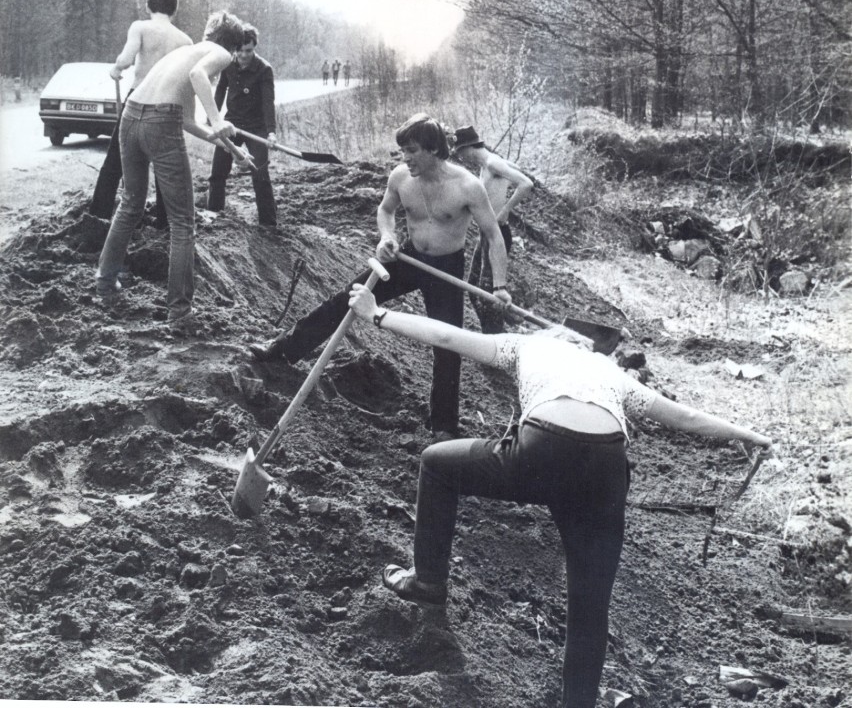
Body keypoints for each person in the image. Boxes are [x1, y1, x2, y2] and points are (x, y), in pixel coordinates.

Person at [347, 282, 777, 708]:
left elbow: (445, 335)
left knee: (436, 463)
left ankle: (427, 583)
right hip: (607, 469)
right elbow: (685, 416)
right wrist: (749, 435)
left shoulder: (526, 347)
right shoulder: (612, 374)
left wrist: (377, 314)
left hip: (544, 451)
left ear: (550, 336)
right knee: (590, 607)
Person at [248, 113, 512, 439]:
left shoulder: (468, 187)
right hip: (408, 258)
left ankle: (443, 425)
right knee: (347, 299)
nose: (405, 158)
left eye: (412, 150)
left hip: (446, 270)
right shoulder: (401, 177)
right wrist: (386, 237)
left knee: (447, 344)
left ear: (433, 149)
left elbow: (494, 235)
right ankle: (283, 350)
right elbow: (386, 211)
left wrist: (499, 286)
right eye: (403, 150)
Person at [96, 11, 248, 329]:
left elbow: (189, 122)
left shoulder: (184, 51)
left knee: (130, 205)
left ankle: (105, 284)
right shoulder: (218, 52)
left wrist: (230, 148)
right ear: (233, 48)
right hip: (159, 123)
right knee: (183, 221)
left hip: (131, 116)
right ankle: (179, 312)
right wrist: (219, 120)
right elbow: (198, 77)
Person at [89, 0, 193, 227]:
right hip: (167, 104)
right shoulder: (185, 40)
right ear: (173, 11)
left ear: (148, 7)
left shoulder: (141, 27)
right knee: (164, 167)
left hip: (138, 99)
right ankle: (164, 224)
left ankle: (97, 217)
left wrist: (116, 68)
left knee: (115, 161)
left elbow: (126, 59)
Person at [453, 125, 534, 333]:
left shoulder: (492, 162)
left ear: (468, 147)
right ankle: (494, 331)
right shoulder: (488, 165)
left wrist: (506, 209)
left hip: (498, 233)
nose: (461, 157)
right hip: (486, 234)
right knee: (473, 287)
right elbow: (513, 170)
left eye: (460, 152)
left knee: (489, 294)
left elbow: (526, 183)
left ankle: (497, 339)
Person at [206, 24, 278, 227]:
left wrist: (271, 132)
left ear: (254, 48)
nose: (244, 55)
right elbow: (220, 91)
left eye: (249, 51)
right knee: (217, 173)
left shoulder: (264, 69)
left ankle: (269, 224)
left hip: (257, 128)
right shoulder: (228, 64)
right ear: (235, 49)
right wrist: (212, 118)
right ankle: (213, 218)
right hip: (232, 125)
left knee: (260, 175)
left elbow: (267, 103)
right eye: (240, 51)